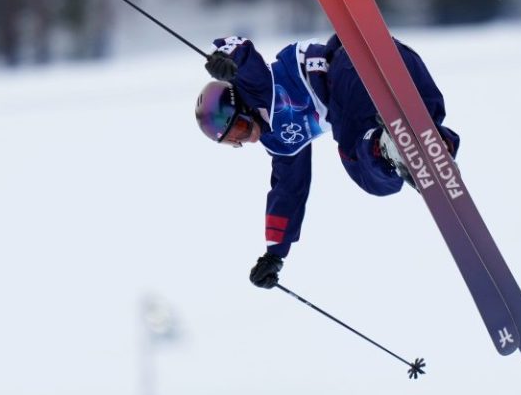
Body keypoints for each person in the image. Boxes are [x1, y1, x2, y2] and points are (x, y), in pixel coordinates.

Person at [195, 34, 460, 289]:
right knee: (384, 182)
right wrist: (274, 254)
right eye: (235, 140)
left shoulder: (258, 87)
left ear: (241, 103)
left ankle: (386, 147)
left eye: (241, 126)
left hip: (349, 70)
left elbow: (242, 53)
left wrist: (222, 58)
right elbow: (288, 190)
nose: (247, 138)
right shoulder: (279, 142)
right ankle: (432, 145)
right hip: (398, 64)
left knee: (354, 155)